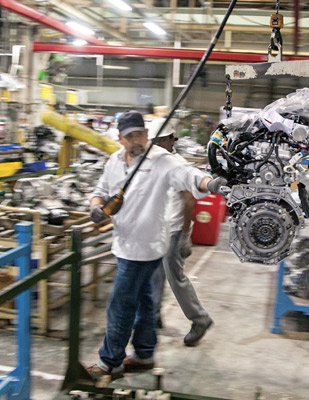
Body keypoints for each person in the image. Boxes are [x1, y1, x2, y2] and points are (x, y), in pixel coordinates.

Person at [87, 110, 225, 381]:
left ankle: (110, 363)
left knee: (120, 305)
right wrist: (95, 206)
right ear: (120, 139)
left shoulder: (161, 160)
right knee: (145, 301)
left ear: (147, 135)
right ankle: (144, 354)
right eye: (130, 136)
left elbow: (188, 175)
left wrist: (211, 183)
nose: (136, 141)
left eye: (140, 134)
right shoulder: (114, 161)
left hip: (146, 247)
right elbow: (101, 190)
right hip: (123, 244)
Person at [148, 118, 213, 346]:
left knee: (176, 278)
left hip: (173, 231)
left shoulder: (178, 165)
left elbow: (189, 201)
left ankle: (200, 319)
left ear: (169, 140)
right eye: (153, 142)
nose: (155, 146)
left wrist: (185, 236)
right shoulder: (158, 162)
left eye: (159, 141)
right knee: (155, 274)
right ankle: (153, 315)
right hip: (159, 230)